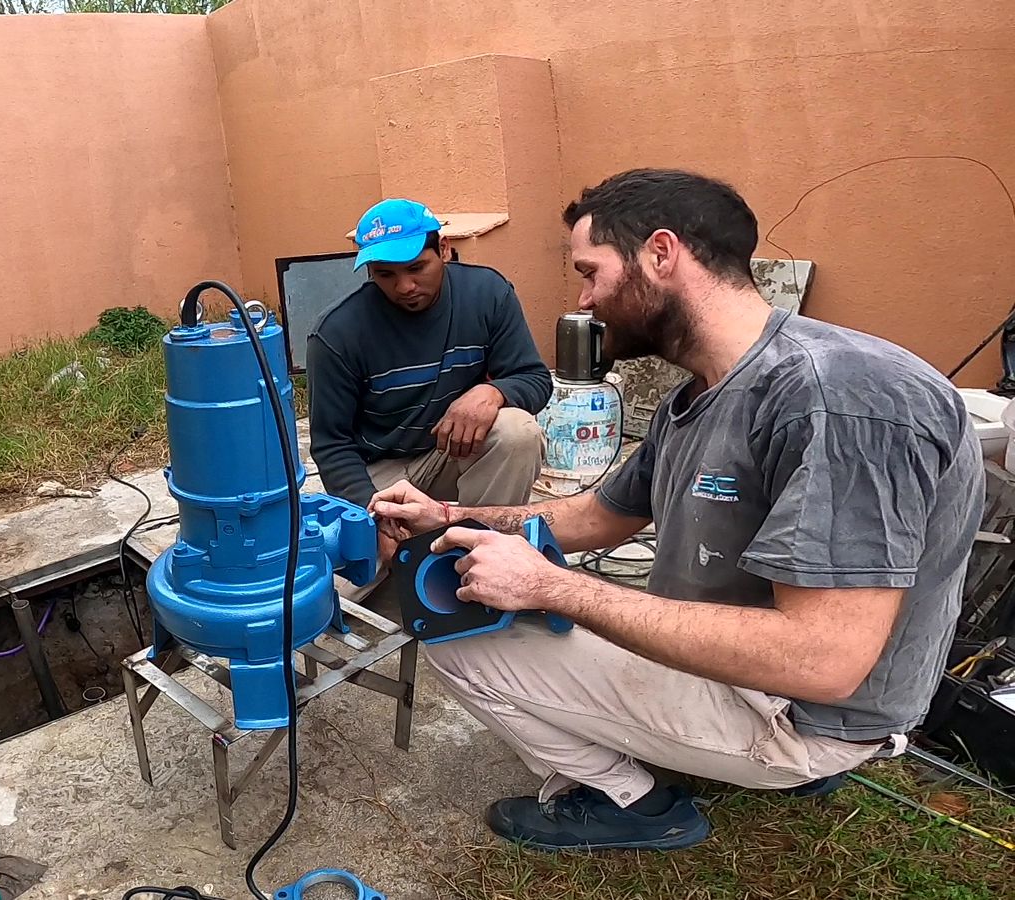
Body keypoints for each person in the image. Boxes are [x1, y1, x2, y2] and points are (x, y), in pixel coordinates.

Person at [370, 169, 982, 851]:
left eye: (590, 272)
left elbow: (825, 662)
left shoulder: (837, 401)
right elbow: (601, 516)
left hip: (806, 715)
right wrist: (452, 516)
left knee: (462, 637)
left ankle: (635, 803)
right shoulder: (703, 396)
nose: (582, 298)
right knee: (513, 593)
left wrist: (549, 586)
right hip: (751, 675)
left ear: (661, 255)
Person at [307, 198, 551, 567]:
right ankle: (415, 551)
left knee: (518, 431)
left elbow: (533, 378)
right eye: (385, 274)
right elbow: (331, 445)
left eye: (417, 267)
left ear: (444, 250)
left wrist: (493, 391)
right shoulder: (337, 333)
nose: (404, 286)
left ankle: (482, 556)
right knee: (352, 581)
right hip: (381, 469)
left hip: (451, 454)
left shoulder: (488, 294)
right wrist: (370, 516)